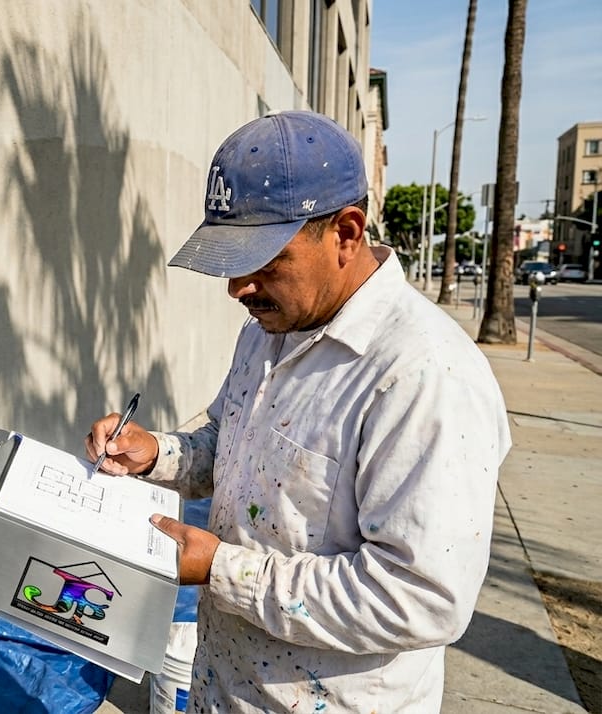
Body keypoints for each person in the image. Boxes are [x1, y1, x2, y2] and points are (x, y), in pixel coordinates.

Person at [85, 111, 510, 713]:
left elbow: (421, 597)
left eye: (262, 262)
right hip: (223, 688)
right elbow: (231, 442)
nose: (238, 289)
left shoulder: (424, 376)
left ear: (346, 232)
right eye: (231, 263)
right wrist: (159, 454)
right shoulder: (270, 328)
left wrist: (220, 570)